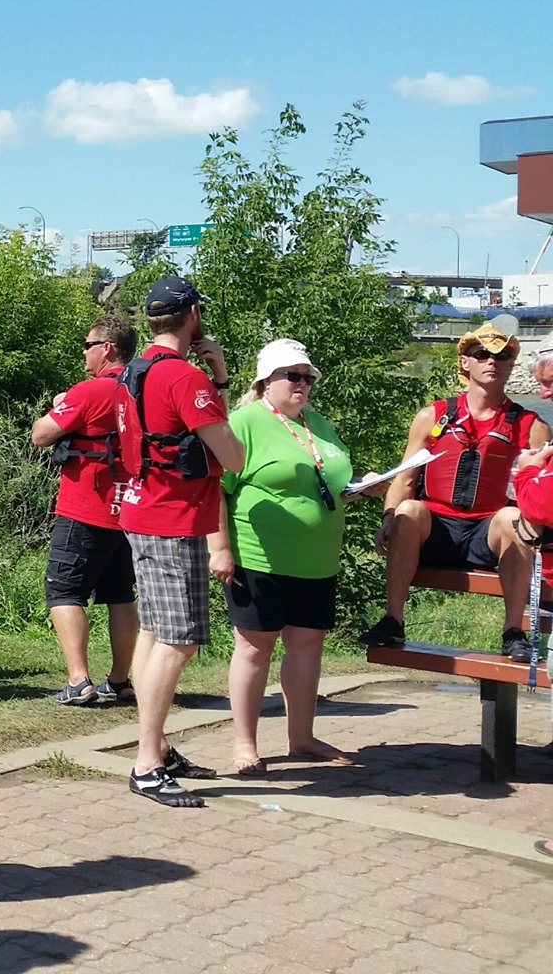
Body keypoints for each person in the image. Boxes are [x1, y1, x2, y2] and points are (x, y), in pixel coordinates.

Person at [116, 276, 245, 808]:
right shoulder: (185, 378)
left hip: (140, 508)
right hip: (173, 518)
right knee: (180, 640)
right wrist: (219, 376)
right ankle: (147, 762)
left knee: (154, 633)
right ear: (192, 315)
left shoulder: (133, 370)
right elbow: (233, 456)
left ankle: (159, 747)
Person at [360, 321, 548, 662]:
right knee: (409, 510)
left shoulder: (530, 425)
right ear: (465, 362)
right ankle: (393, 620)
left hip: (487, 533)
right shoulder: (435, 415)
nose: (492, 361)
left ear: (511, 364)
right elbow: (404, 478)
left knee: (513, 517)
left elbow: (541, 494)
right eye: (482, 354)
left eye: (502, 355)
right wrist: (388, 517)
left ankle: (512, 631)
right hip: (437, 529)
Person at [216, 339, 355, 774]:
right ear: (265, 381)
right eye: (291, 376)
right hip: (260, 557)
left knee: (308, 645)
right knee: (254, 647)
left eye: (307, 377)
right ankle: (245, 743)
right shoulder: (244, 423)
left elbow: (328, 479)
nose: (302, 384)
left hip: (316, 560)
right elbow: (214, 489)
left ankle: (302, 737)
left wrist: (359, 488)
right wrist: (219, 548)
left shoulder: (319, 426)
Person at [29, 314, 141, 706]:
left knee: (63, 590)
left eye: (88, 344)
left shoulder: (90, 391)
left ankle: (79, 680)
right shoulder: (142, 389)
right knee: (120, 594)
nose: (84, 351)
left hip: (85, 507)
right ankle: (121, 679)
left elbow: (40, 435)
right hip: (129, 508)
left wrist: (59, 405)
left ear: (107, 349)